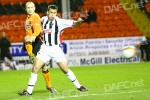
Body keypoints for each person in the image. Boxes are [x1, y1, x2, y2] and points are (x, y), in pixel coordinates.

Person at [18, 4, 88, 96]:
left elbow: (73, 23)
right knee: (35, 67)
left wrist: (78, 22)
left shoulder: (59, 22)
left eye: (54, 13)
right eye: (51, 12)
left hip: (56, 49)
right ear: (47, 12)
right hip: (45, 48)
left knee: (65, 69)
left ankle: (79, 86)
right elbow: (36, 26)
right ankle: (28, 91)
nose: (52, 15)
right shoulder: (43, 20)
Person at [22, 2, 56, 93]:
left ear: (34, 8)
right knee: (43, 66)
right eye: (28, 7)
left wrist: (33, 37)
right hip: (32, 43)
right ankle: (49, 86)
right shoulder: (27, 19)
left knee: (42, 65)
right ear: (26, 9)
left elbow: (37, 30)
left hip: (37, 42)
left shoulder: (35, 16)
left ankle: (31, 56)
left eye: (31, 7)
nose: (29, 9)